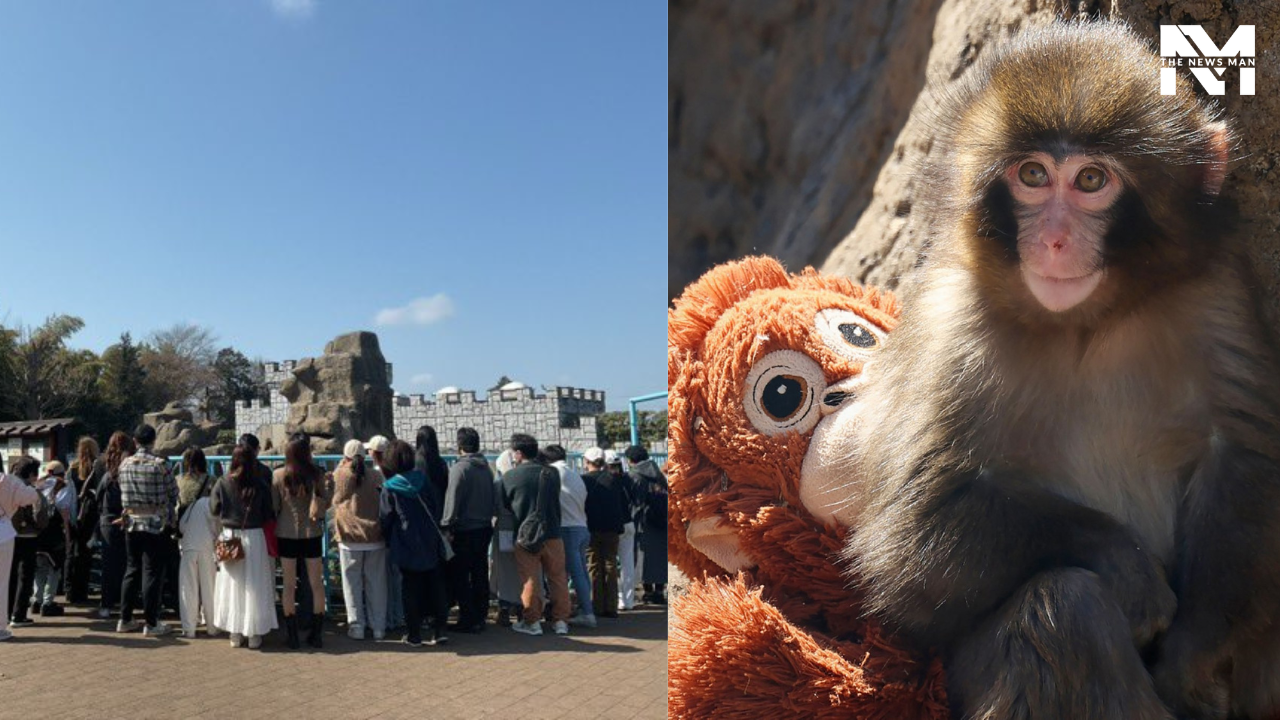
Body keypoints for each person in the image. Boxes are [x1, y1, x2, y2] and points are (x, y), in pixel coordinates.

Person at [380, 439, 450, 647]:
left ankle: (414, 634)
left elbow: (386, 517)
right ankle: (440, 630)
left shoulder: (389, 487)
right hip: (429, 537)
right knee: (436, 585)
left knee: (410, 588)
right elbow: (436, 505)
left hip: (405, 540)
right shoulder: (422, 479)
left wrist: (388, 539)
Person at [502, 433, 571, 637]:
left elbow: (505, 505)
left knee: (530, 578)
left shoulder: (510, 476)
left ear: (518, 453)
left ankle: (532, 622)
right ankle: (561, 621)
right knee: (558, 577)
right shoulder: (552, 473)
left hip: (526, 536)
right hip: (553, 532)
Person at [210, 443, 277, 649]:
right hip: (254, 536)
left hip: (230, 536)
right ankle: (254, 633)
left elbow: (214, 509)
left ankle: (235, 633)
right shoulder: (260, 484)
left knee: (232, 584)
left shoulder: (223, 482)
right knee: (255, 584)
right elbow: (268, 513)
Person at [117, 424, 179, 637]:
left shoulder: (124, 464)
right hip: (155, 523)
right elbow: (174, 493)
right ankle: (151, 622)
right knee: (151, 572)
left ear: (135, 441)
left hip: (130, 522)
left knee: (131, 569)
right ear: (154, 441)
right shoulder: (160, 465)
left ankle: (125, 618)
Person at [272, 433, 330, 649]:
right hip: (311, 533)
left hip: (286, 533)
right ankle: (316, 635)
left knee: (288, 585)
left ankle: (292, 635)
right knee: (316, 584)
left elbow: (274, 506)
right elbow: (325, 503)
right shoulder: (317, 475)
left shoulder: (278, 475)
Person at [332, 439, 388, 640]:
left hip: (349, 537)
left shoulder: (341, 474)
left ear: (345, 457)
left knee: (352, 584)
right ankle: (379, 627)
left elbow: (335, 499)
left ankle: (356, 626)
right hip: (375, 536)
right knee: (377, 584)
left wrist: (340, 466)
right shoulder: (376, 475)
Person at [441, 427, 495, 633]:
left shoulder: (459, 469)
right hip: (484, 527)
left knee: (461, 576)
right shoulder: (486, 468)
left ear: (459, 445)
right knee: (480, 573)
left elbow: (452, 499)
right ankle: (480, 615)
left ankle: (467, 617)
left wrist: (446, 525)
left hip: (464, 530)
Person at [544, 444, 594, 629]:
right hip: (582, 527)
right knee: (581, 572)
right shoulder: (575, 474)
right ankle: (584, 609)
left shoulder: (553, 473)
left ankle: (587, 613)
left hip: (567, 528)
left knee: (573, 573)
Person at [582, 447, 629, 619]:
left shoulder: (584, 480)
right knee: (611, 565)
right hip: (612, 529)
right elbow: (623, 503)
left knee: (593, 566)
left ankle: (597, 606)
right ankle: (611, 606)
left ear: (587, 462)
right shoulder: (615, 479)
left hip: (591, 527)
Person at [177, 447, 219, 639]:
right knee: (209, 585)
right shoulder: (212, 481)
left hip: (186, 537)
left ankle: (189, 628)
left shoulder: (179, 481)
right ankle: (212, 625)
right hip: (207, 538)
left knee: (188, 585)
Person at [92, 432, 135, 620]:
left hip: (107, 519)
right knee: (128, 564)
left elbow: (98, 495)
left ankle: (106, 605)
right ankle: (126, 605)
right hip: (127, 517)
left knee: (109, 565)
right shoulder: (131, 464)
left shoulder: (101, 464)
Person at [365, 434, 403, 631]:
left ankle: (388, 619)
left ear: (374, 453)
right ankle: (399, 616)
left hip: (383, 532)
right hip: (398, 532)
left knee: (384, 580)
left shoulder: (375, 474)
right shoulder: (396, 472)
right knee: (397, 579)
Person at [3, 456, 43, 635]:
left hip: (9, 534)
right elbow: (38, 511)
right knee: (22, 577)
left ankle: (7, 614)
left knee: (9, 577)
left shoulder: (9, 482)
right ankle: (16, 616)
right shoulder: (22, 488)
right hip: (23, 535)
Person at [31, 461, 75, 617]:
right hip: (55, 536)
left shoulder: (37, 485)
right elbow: (65, 515)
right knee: (54, 570)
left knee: (39, 569)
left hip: (37, 535)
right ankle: (47, 603)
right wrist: (68, 538)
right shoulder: (64, 486)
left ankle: (36, 600)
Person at [626, 445, 668, 604]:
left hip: (643, 522)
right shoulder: (658, 474)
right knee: (660, 556)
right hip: (662, 521)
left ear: (631, 460)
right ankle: (659, 592)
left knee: (644, 558)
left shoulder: (635, 475)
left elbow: (635, 502)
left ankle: (648, 592)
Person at [66, 437, 103, 604]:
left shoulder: (72, 468)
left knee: (72, 552)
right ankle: (81, 592)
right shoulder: (96, 467)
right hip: (90, 514)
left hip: (73, 513)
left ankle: (69, 590)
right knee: (86, 553)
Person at [489, 450, 523, 627]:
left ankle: (504, 608)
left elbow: (493, 508)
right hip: (522, 527)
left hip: (503, 527)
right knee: (522, 567)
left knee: (504, 568)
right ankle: (521, 606)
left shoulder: (498, 484)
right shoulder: (521, 479)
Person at [609, 451, 640, 611]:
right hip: (629, 523)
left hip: (613, 526)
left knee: (611, 563)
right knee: (627, 564)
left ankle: (618, 599)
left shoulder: (608, 482)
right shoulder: (627, 479)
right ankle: (628, 601)